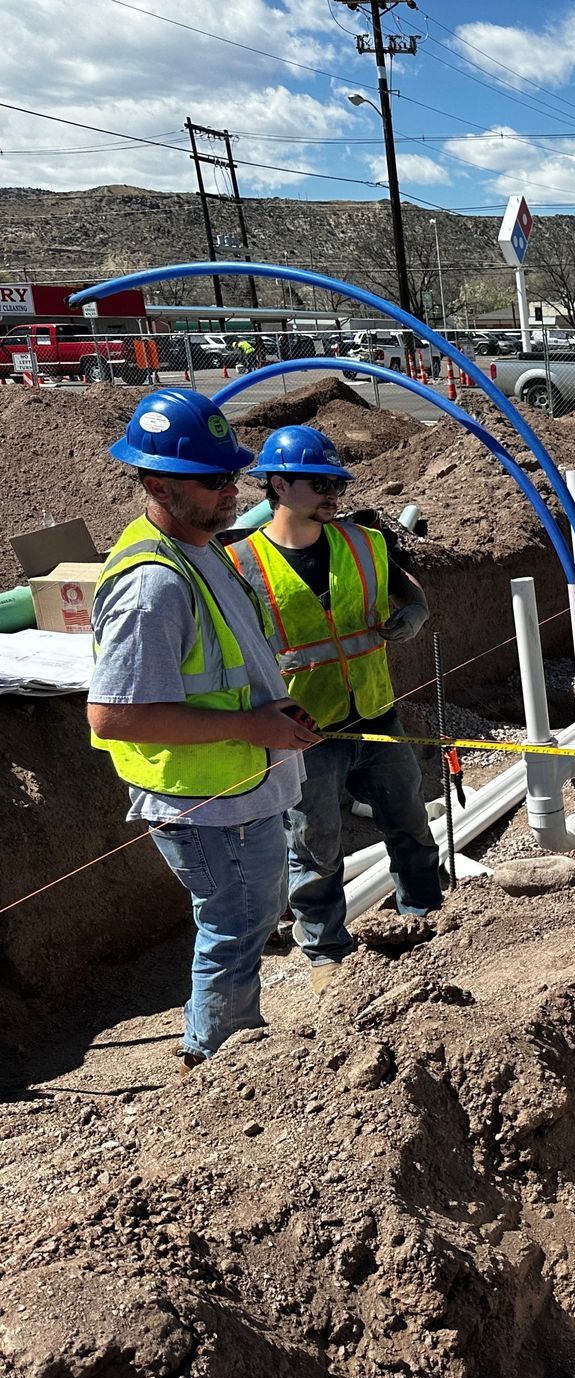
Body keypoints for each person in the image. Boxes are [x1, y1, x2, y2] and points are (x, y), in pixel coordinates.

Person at [87, 390, 321, 1072]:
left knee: (246, 919)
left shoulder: (201, 550)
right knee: (235, 928)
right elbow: (114, 714)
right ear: (157, 482)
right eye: (212, 480)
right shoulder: (153, 584)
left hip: (239, 784)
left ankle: (223, 1054)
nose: (230, 491)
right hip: (210, 802)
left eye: (233, 477)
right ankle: (222, 1067)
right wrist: (252, 726)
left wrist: (268, 718)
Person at [228, 425, 440, 996]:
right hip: (305, 731)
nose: (333, 492)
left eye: (336, 481)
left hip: (376, 713)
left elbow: (411, 594)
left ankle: (428, 916)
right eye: (319, 482)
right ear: (277, 483)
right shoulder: (240, 563)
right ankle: (327, 953)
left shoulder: (364, 543)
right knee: (314, 847)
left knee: (411, 823)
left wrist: (415, 615)